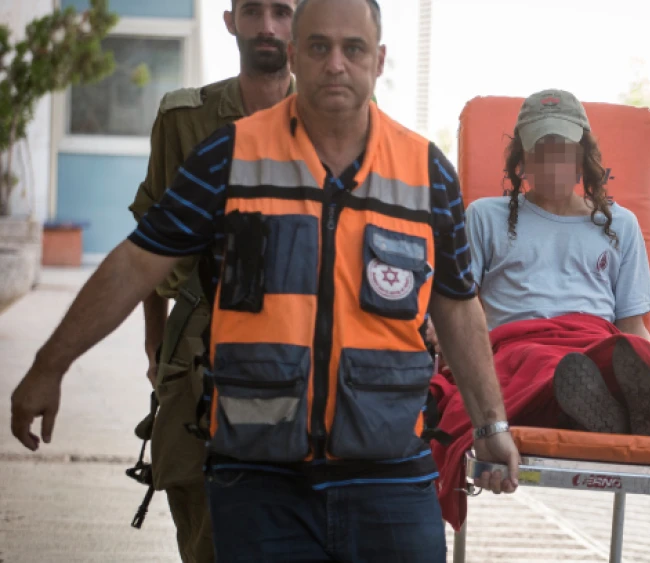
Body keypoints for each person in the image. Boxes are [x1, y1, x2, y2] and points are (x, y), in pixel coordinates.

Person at [9, 0, 519, 561]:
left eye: (352, 49)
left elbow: (458, 305)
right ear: (295, 55)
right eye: (319, 47)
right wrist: (49, 365)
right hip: (259, 481)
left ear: (378, 60)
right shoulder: (229, 156)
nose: (335, 64)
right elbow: (137, 263)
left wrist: (490, 423)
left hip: (390, 478)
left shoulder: (426, 171)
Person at [428, 89, 650, 531]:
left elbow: (632, 326)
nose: (553, 162)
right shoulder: (485, 217)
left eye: (564, 150)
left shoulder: (619, 223)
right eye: (542, 150)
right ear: (522, 159)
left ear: (583, 156)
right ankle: (606, 413)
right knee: (548, 364)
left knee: (628, 356)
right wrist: (439, 333)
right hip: (519, 347)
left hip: (595, 344)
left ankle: (613, 411)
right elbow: (456, 305)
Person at [128, 1, 296, 560]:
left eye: (283, 11)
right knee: (208, 533)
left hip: (305, 348)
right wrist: (156, 346)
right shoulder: (185, 120)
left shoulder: (337, 116)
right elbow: (149, 241)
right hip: (202, 347)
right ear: (230, 21)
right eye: (253, 10)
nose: (267, 26)